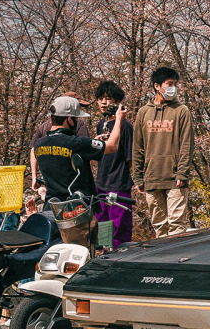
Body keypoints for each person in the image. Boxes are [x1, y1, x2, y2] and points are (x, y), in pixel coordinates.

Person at [34, 94, 126, 246]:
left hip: (52, 209)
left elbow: (61, 158)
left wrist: (91, 143)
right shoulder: (76, 143)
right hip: (76, 213)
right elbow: (113, 146)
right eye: (76, 119)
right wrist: (118, 119)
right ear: (69, 119)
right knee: (80, 256)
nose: (77, 122)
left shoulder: (39, 144)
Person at [132, 66, 194, 237]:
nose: (173, 88)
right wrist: (138, 176)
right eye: (169, 84)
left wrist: (182, 173)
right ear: (157, 86)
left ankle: (178, 261)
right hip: (151, 178)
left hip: (175, 179)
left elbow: (187, 145)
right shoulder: (143, 112)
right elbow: (137, 146)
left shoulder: (182, 111)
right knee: (160, 226)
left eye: (175, 84)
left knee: (177, 225)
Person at [92, 80, 134, 249]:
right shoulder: (100, 125)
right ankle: (104, 256)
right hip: (101, 183)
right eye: (100, 98)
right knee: (102, 226)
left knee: (120, 229)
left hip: (119, 183)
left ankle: (121, 259)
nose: (104, 102)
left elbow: (131, 157)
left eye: (108, 98)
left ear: (117, 101)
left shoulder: (125, 126)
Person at [30, 91, 92, 193]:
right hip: (72, 185)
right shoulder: (78, 123)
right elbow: (85, 153)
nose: (78, 111)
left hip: (48, 182)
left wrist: (34, 177)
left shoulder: (45, 125)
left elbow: (33, 149)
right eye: (76, 106)